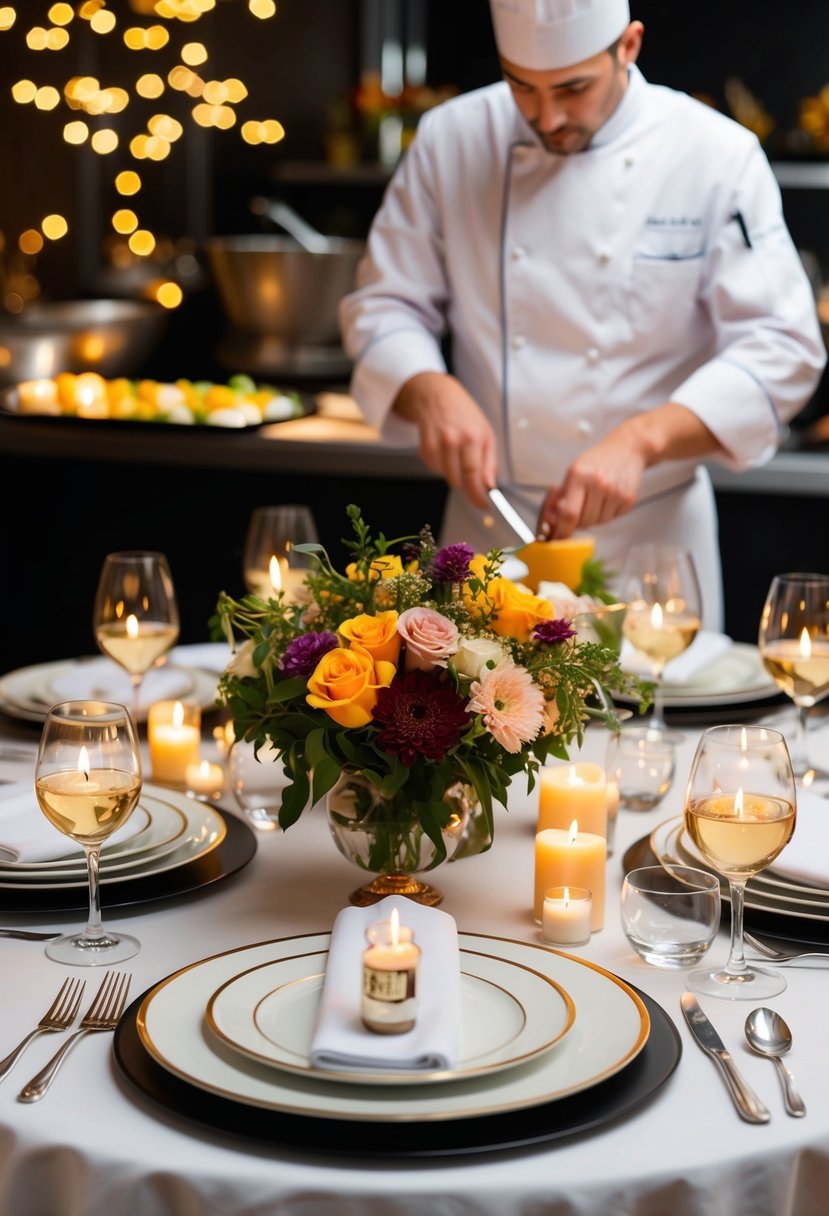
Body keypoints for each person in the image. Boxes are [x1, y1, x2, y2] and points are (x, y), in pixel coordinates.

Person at [338, 0, 826, 629]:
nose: (546, 116)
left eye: (573, 87)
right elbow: (383, 303)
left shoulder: (714, 155)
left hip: (652, 548)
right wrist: (427, 389)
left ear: (629, 46)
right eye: (522, 86)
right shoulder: (451, 138)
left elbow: (785, 346)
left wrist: (642, 441)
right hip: (490, 537)